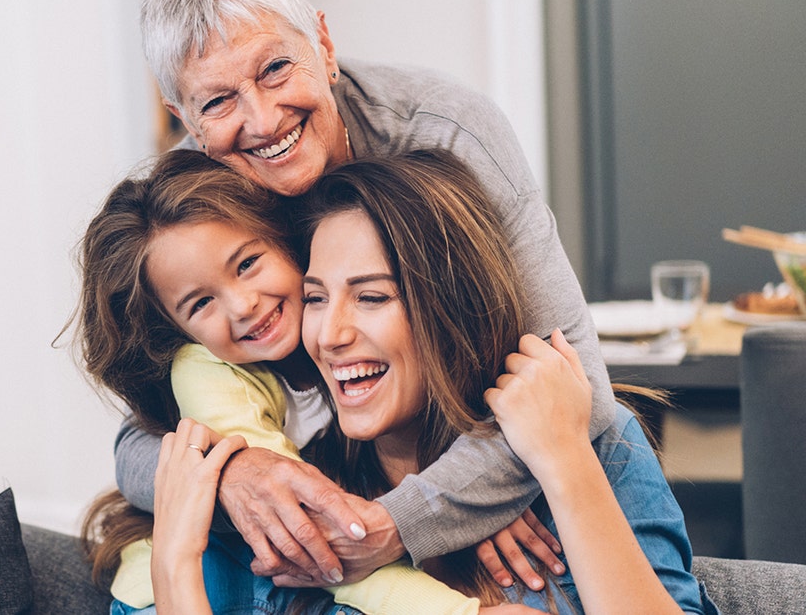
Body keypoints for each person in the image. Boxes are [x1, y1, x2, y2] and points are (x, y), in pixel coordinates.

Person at [114, 0, 613, 589]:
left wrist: (409, 513)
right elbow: (136, 441)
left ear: (323, 44)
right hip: (333, 496)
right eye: (217, 103)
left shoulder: (446, 133)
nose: (262, 120)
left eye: (273, 69)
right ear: (186, 121)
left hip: (473, 479)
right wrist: (233, 472)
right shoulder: (194, 202)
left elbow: (582, 392)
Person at [77, 149, 500, 613]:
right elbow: (310, 531)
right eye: (200, 304)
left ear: (285, 241)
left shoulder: (336, 340)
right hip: (189, 591)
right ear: (177, 331)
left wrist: (476, 505)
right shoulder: (208, 375)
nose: (241, 306)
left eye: (246, 264)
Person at [290, 153, 711, 613]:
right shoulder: (303, 484)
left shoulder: (598, 444)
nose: (330, 335)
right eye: (315, 298)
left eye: (371, 297)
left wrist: (564, 460)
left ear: (456, 308)